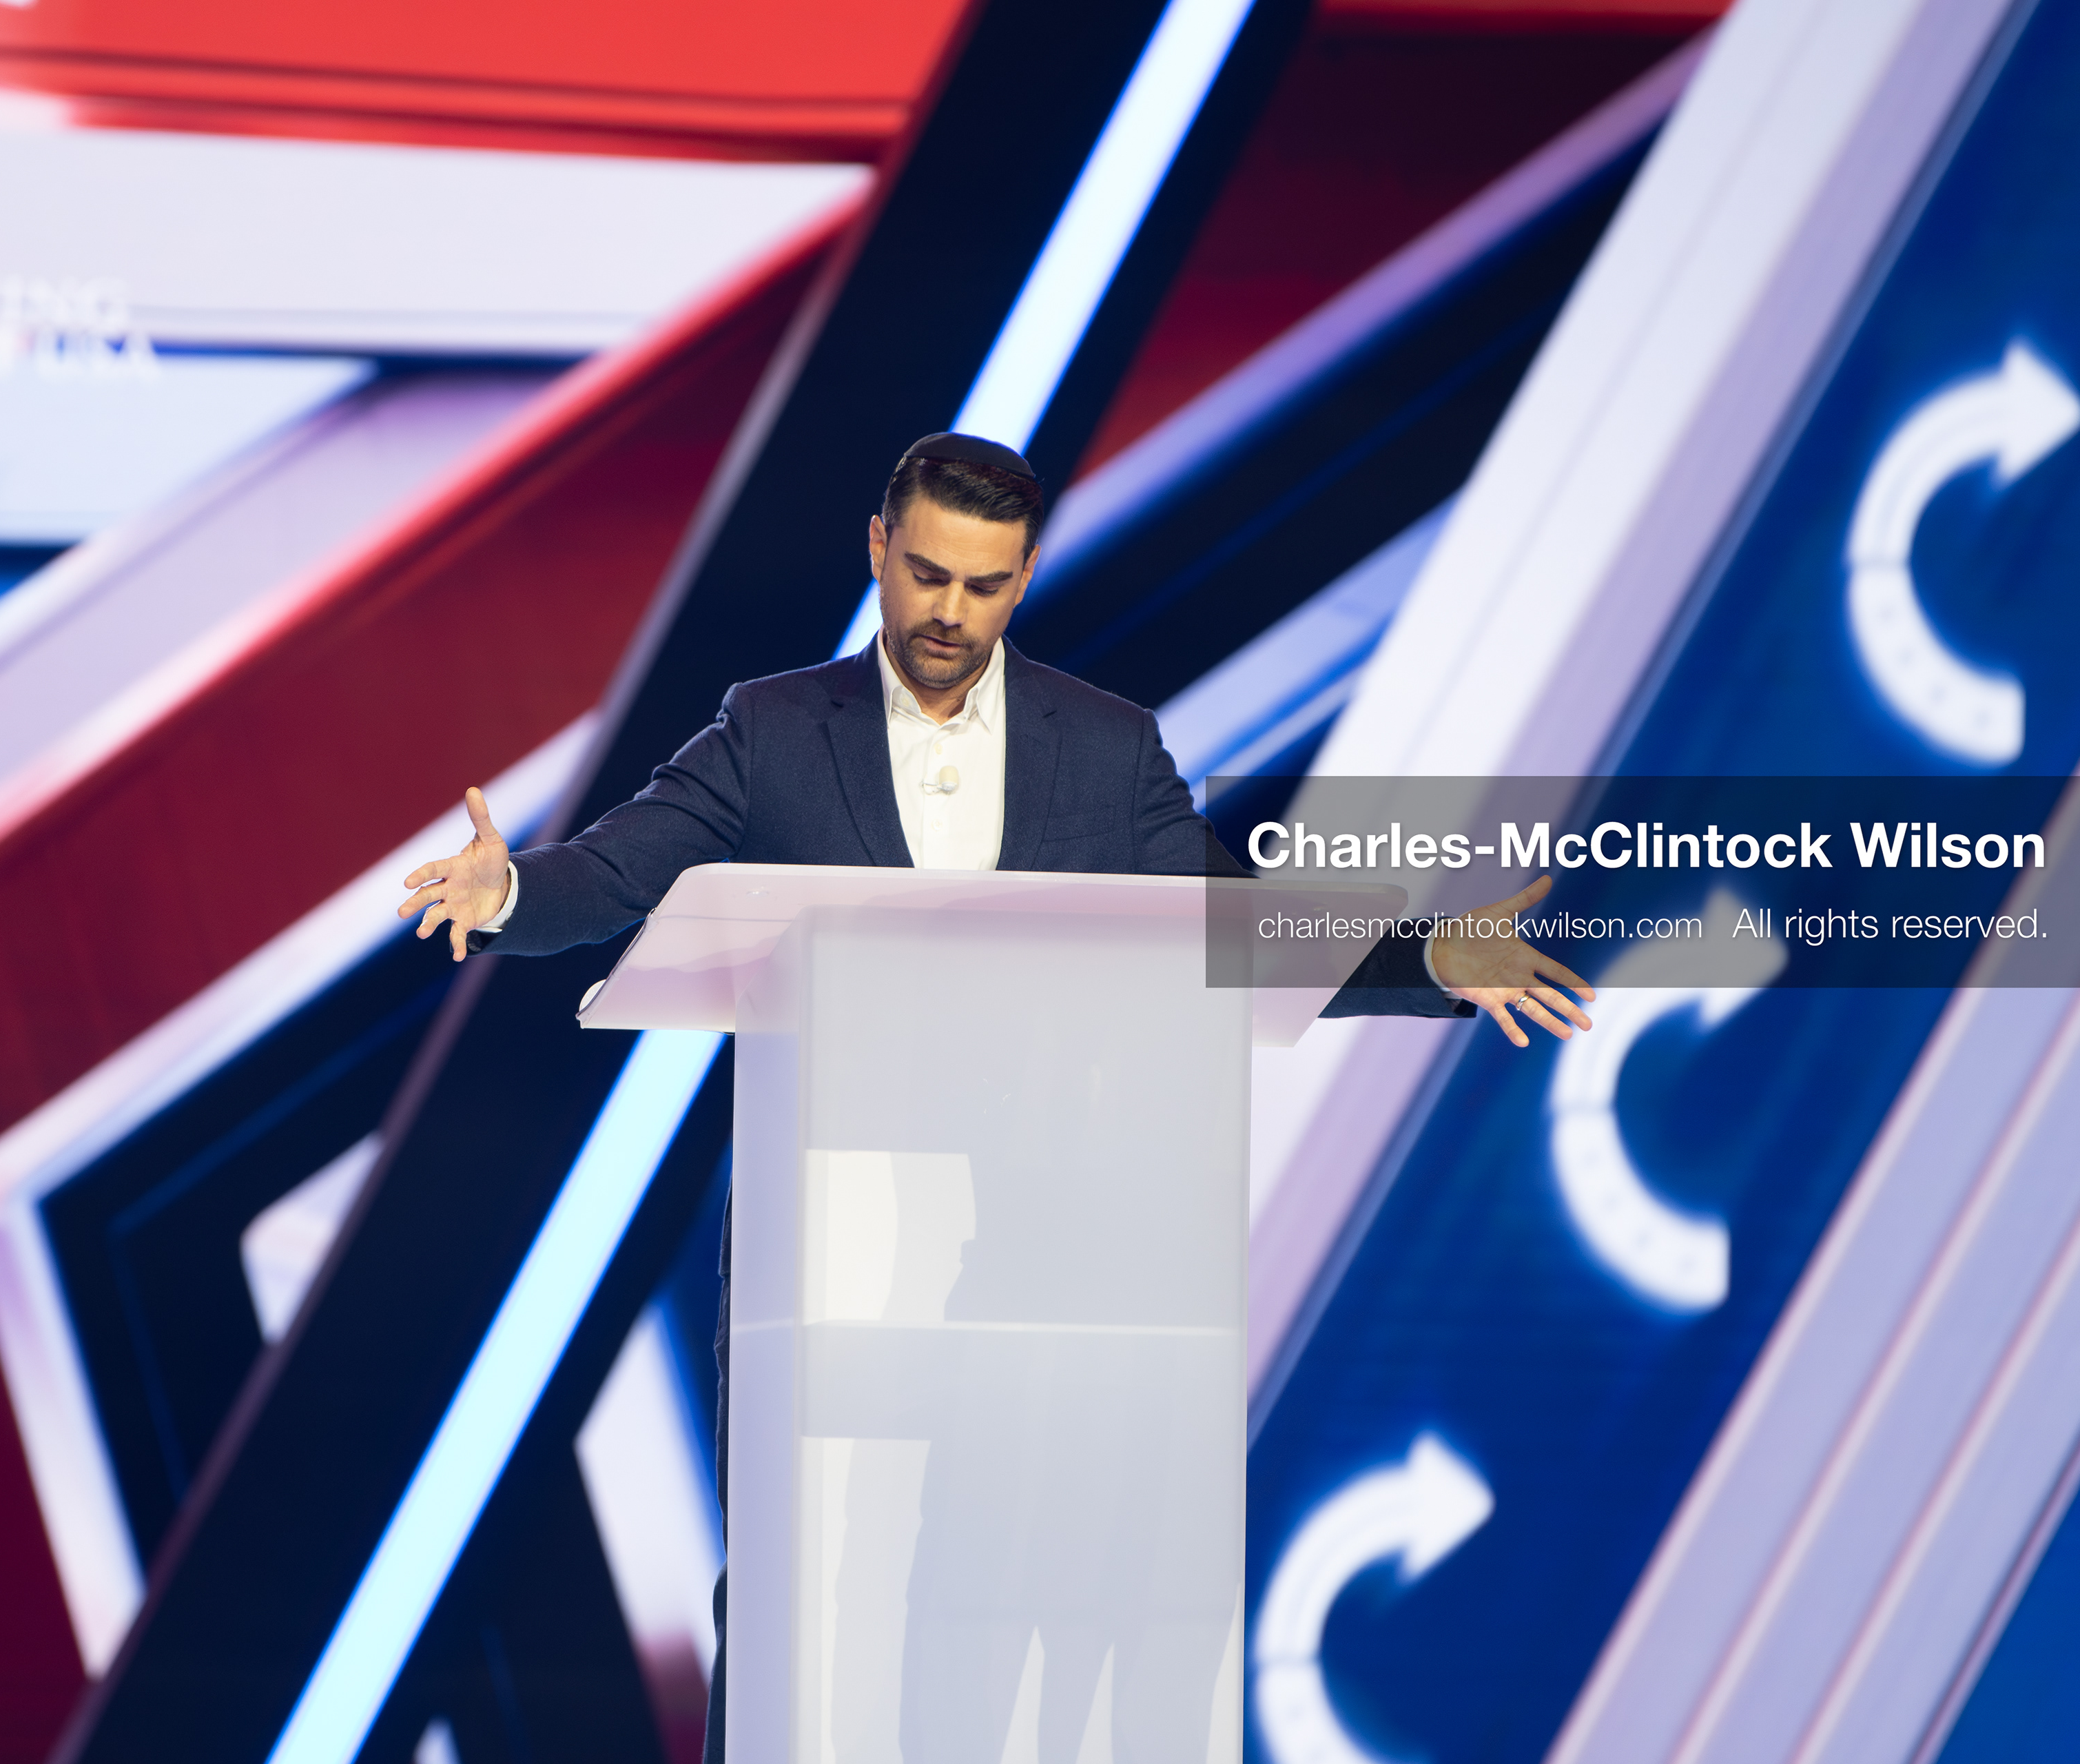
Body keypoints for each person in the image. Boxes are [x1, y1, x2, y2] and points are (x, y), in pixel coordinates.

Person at [397, 431, 1594, 1758]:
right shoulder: (778, 731)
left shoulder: (1105, 749)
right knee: (801, 1583)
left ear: (1021, 582)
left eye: (983, 586)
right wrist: (508, 892)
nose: (947, 616)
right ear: (878, 551)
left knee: (988, 1599)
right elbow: (620, 875)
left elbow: (1227, 930)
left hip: (1037, 1264)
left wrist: (1429, 956)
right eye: (924, 577)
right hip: (827, 1253)